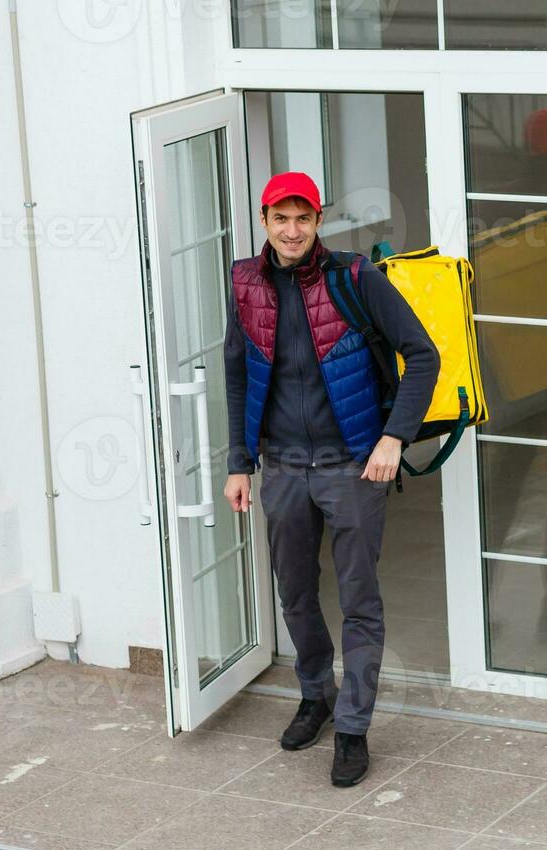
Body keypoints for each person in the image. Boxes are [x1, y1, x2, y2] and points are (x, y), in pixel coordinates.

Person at [222, 172, 440, 787]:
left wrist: (393, 437)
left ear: (319, 221)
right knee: (293, 592)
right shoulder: (244, 284)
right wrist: (239, 463)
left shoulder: (354, 277)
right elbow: (237, 375)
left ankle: (351, 728)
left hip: (352, 466)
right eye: (280, 219)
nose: (292, 231)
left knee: (358, 602)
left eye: (304, 218)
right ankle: (315, 695)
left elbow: (423, 355)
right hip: (283, 467)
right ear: (264, 220)